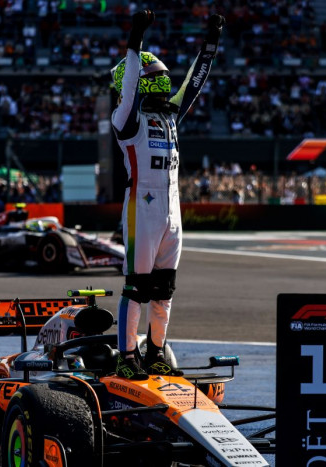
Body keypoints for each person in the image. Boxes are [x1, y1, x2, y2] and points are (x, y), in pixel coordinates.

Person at [111, 9, 225, 379]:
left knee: (164, 290)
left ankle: (156, 352)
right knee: (137, 287)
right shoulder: (127, 120)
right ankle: (126, 357)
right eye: (156, 77)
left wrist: (210, 44)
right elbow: (131, 85)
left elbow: (194, 84)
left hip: (172, 211)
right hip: (141, 209)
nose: (164, 81)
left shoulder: (170, 116)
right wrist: (135, 39)